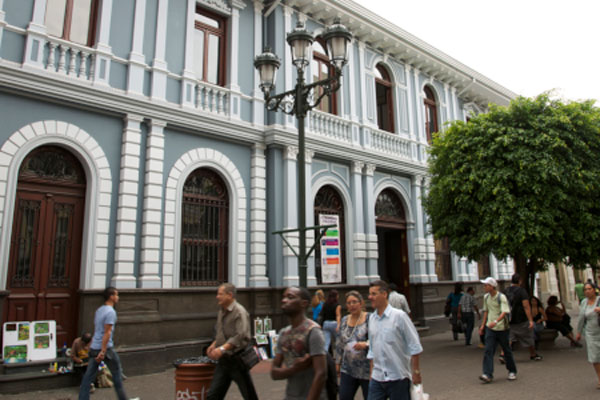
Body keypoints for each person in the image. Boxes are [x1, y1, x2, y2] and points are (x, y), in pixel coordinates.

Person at [78, 287, 138, 400]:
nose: (118, 297)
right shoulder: (111, 312)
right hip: (105, 349)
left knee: (88, 377)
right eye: (116, 295)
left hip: (94, 347)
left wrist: (94, 347)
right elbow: (107, 332)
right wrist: (103, 351)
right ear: (111, 296)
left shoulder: (99, 310)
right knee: (117, 374)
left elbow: (97, 329)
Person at [367, 280, 423, 400]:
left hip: (398, 376)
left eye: (373, 294)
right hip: (377, 377)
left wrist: (416, 372)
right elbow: (372, 348)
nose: (370, 297)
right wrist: (372, 372)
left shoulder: (399, 317)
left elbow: (415, 345)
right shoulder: (372, 318)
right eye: (370, 294)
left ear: (384, 294)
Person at [271, 286, 327, 400]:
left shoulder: (313, 331)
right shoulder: (283, 333)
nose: (284, 300)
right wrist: (294, 369)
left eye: (290, 297)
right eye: (284, 297)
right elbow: (274, 373)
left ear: (304, 303)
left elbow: (321, 373)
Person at [206, 283, 258, 400]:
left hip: (237, 360)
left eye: (220, 294)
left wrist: (222, 348)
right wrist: (214, 345)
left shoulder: (239, 312)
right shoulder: (222, 311)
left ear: (230, 295)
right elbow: (221, 332)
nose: (217, 297)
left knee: (249, 395)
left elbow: (241, 335)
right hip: (224, 361)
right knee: (213, 395)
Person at [478, 277, 517, 383]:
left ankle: (512, 371)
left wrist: (495, 322)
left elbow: (504, 312)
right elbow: (486, 311)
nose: (484, 287)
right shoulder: (486, 297)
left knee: (506, 350)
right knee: (488, 350)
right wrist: (483, 326)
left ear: (492, 286)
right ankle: (487, 374)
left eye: (486, 285)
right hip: (490, 328)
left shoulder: (501, 297)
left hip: (502, 328)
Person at [335, 291, 370, 400]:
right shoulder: (345, 320)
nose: (351, 305)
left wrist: (366, 344)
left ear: (361, 303)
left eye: (354, 302)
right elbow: (339, 342)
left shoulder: (370, 318)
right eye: (349, 303)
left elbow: (379, 340)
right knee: (344, 397)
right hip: (348, 368)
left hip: (366, 369)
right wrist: (337, 362)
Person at [504, 273, 542, 361]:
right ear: (520, 281)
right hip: (521, 318)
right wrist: (530, 320)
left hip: (509, 318)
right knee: (528, 337)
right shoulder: (522, 291)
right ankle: (533, 354)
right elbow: (526, 306)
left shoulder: (506, 291)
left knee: (509, 338)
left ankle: (503, 355)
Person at [576, 282, 600, 389]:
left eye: (589, 289)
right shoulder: (584, 302)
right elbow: (581, 318)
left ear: (594, 290)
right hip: (590, 333)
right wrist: (579, 332)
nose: (587, 291)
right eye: (585, 289)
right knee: (595, 357)